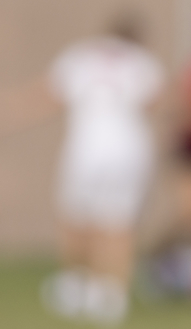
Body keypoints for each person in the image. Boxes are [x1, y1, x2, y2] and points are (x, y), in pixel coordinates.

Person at [42, 27, 163, 324]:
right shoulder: (142, 62)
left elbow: (51, 96)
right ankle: (111, 294)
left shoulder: (79, 56)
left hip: (85, 149)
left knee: (76, 217)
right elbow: (154, 102)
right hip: (129, 149)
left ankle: (76, 285)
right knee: (119, 222)